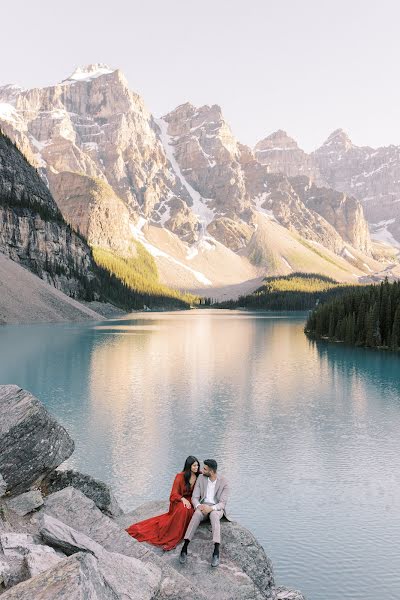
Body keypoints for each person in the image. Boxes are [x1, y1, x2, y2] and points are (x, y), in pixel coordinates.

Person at [125, 456, 200, 551]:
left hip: (192, 499)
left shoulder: (199, 475)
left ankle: (181, 530)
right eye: (194, 465)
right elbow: (173, 494)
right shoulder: (180, 476)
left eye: (197, 465)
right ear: (189, 466)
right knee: (183, 509)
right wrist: (182, 499)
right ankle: (173, 535)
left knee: (190, 511)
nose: (196, 467)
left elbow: (210, 478)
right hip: (179, 500)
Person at [179, 458, 229, 567]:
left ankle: (216, 551)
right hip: (203, 506)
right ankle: (185, 547)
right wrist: (199, 506)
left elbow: (222, 504)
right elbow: (194, 497)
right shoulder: (201, 478)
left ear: (211, 471)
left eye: (205, 469)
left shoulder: (224, 482)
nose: (202, 470)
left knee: (215, 516)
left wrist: (211, 509)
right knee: (196, 514)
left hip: (216, 508)